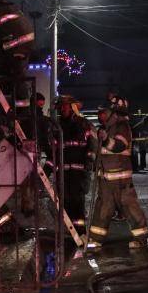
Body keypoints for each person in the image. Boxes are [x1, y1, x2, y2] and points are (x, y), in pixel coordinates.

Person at [89, 96, 148, 250]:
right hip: (106, 180)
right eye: (100, 112)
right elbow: (100, 152)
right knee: (102, 209)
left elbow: (120, 146)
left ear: (113, 113)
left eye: (104, 112)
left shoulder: (122, 127)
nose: (100, 115)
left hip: (121, 181)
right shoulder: (107, 128)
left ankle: (141, 239)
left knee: (130, 209)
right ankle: (95, 240)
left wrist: (106, 139)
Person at [55, 94, 96, 233]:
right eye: (60, 106)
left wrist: (88, 167)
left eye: (65, 106)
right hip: (63, 172)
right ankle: (68, 231)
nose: (62, 109)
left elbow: (92, 148)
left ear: (72, 107)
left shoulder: (84, 124)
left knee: (77, 203)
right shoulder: (57, 126)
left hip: (79, 172)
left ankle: (80, 232)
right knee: (64, 203)